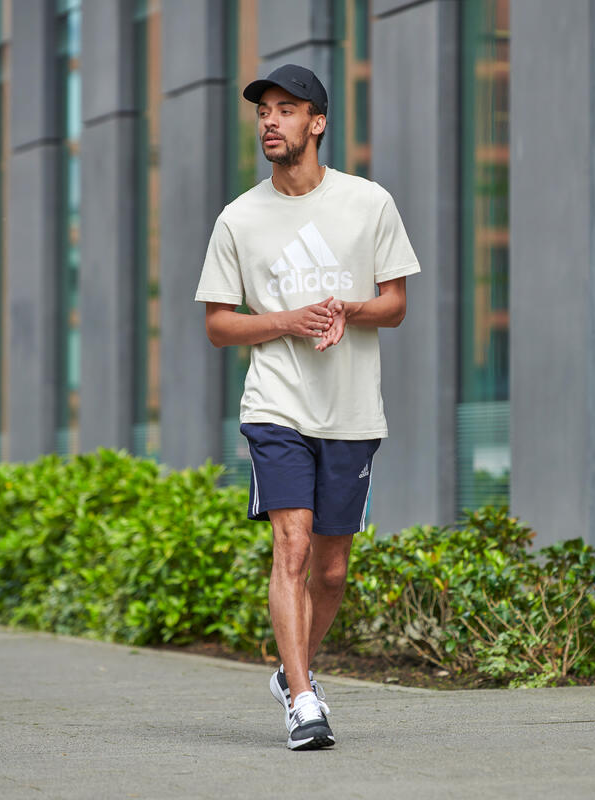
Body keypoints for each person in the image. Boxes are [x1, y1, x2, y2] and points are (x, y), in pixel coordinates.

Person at [194, 63, 420, 750]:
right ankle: (302, 700)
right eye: (264, 110)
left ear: (317, 122)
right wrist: (289, 321)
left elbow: (396, 307)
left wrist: (349, 309)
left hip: (351, 411)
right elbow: (219, 324)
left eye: (286, 110)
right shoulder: (239, 217)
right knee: (290, 544)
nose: (270, 120)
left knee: (331, 569)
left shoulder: (369, 203)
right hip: (277, 406)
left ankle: (294, 669)